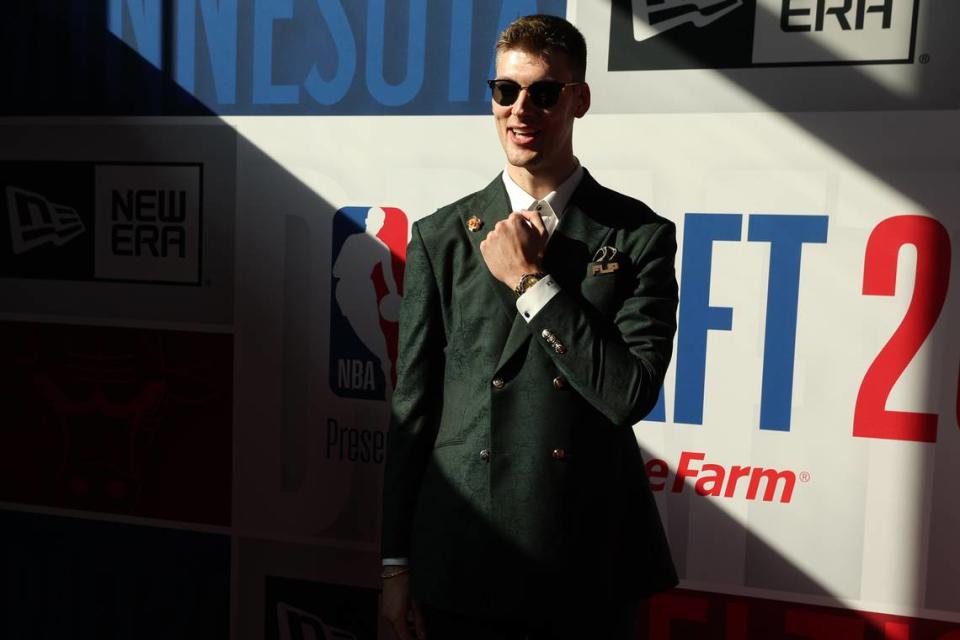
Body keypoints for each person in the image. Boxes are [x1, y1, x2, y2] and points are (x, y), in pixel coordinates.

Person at [380, 14, 678, 640]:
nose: (520, 109)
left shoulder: (638, 235)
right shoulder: (441, 238)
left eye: (543, 92)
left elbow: (628, 393)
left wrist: (532, 284)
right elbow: (412, 412)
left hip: (586, 564)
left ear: (580, 99)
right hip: (465, 555)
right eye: (505, 91)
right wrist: (394, 566)